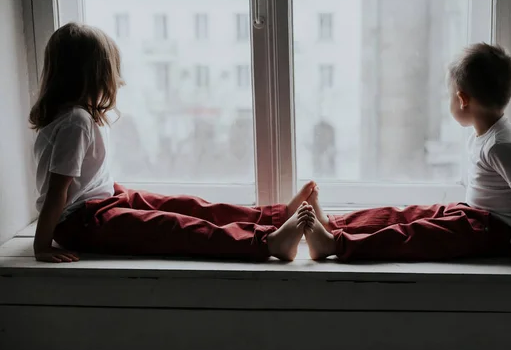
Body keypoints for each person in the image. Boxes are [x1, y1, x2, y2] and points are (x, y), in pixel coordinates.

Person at [30, 22, 314, 263]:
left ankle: (275, 217)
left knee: (186, 205)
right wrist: (42, 246)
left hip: (102, 200)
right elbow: (57, 192)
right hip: (81, 222)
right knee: (174, 227)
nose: (116, 81)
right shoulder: (75, 122)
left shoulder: (70, 117)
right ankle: (267, 242)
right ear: (93, 77)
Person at [300, 43, 511, 268]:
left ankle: (334, 245)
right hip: (475, 218)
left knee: (413, 234)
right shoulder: (486, 135)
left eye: (449, 96)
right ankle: (334, 224)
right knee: (407, 214)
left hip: (494, 232)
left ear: (462, 99)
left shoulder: (500, 145)